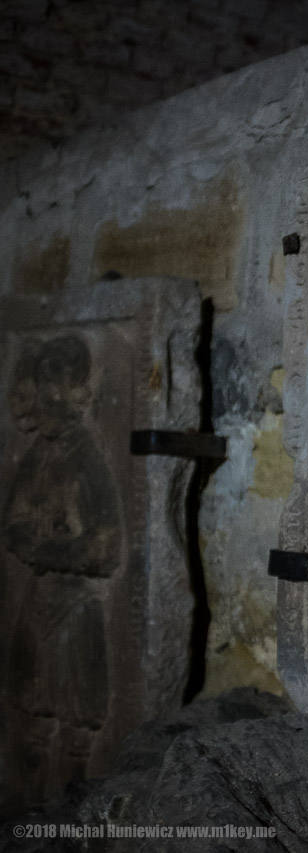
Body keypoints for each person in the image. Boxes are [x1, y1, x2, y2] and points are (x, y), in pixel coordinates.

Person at [4, 335, 120, 803]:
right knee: (32, 717)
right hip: (40, 601)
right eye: (42, 387)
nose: (45, 401)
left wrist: (49, 551)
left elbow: (106, 548)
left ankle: (75, 822)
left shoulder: (88, 459)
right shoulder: (39, 454)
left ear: (75, 393)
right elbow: (10, 522)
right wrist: (26, 539)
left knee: (77, 729)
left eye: (56, 388)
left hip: (76, 606)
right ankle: (25, 814)